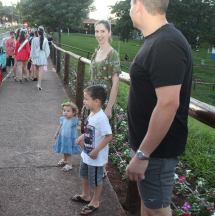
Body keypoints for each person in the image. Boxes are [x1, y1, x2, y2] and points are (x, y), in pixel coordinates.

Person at [125, 0, 193, 216]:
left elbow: (168, 104)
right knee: (149, 206)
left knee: (157, 211)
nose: (129, 10)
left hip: (156, 152)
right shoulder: (157, 40)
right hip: (149, 149)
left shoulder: (166, 43)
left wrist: (143, 155)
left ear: (139, 6)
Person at [85, 19, 121, 178]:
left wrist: (108, 107)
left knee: (103, 136)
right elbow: (91, 80)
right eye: (97, 31)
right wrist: (85, 102)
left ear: (109, 33)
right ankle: (92, 166)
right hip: (92, 102)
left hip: (103, 103)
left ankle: (102, 171)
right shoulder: (95, 53)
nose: (99, 35)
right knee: (91, 134)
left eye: (102, 31)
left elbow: (115, 82)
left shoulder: (113, 54)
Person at [72, 85, 112, 215]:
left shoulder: (102, 117)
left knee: (96, 180)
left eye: (86, 99)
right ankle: (85, 195)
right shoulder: (92, 114)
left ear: (97, 101)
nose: (84, 101)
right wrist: (82, 136)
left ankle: (95, 201)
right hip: (87, 154)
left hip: (95, 157)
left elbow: (108, 136)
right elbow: (92, 131)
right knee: (84, 175)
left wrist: (98, 150)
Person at [53, 102, 81, 171]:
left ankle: (69, 164)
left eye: (68, 111)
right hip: (63, 137)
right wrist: (56, 134)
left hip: (70, 139)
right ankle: (65, 160)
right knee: (64, 149)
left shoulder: (75, 120)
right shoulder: (62, 119)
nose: (65, 112)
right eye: (64, 111)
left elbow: (83, 125)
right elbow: (60, 126)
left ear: (73, 112)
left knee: (69, 151)